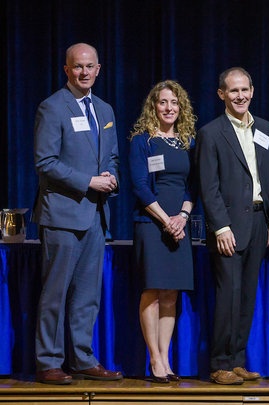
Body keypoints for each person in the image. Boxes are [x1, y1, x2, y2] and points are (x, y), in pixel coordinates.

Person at [32, 43, 123, 384]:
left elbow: (110, 157)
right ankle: (48, 361)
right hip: (62, 215)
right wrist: (89, 181)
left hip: (96, 216)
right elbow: (45, 162)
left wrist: (110, 177)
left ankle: (82, 358)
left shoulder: (104, 108)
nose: (84, 72)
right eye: (77, 67)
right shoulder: (52, 107)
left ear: (98, 69)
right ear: (67, 69)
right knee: (55, 293)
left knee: (88, 296)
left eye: (90, 66)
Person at [197, 67, 269, 385]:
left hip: (259, 222)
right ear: (221, 95)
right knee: (227, 294)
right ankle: (219, 363)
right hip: (229, 227)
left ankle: (238, 360)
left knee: (246, 295)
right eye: (233, 91)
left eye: (245, 89)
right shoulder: (211, 133)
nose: (240, 96)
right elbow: (208, 185)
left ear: (253, 91)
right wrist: (220, 227)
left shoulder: (266, 128)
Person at [129, 80, 198, 383]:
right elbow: (140, 187)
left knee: (171, 294)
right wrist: (166, 220)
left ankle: (166, 357)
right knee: (153, 292)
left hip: (180, 225)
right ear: (153, 107)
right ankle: (154, 360)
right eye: (163, 102)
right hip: (151, 225)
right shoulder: (141, 141)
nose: (169, 108)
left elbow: (193, 186)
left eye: (174, 103)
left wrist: (182, 216)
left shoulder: (188, 141)